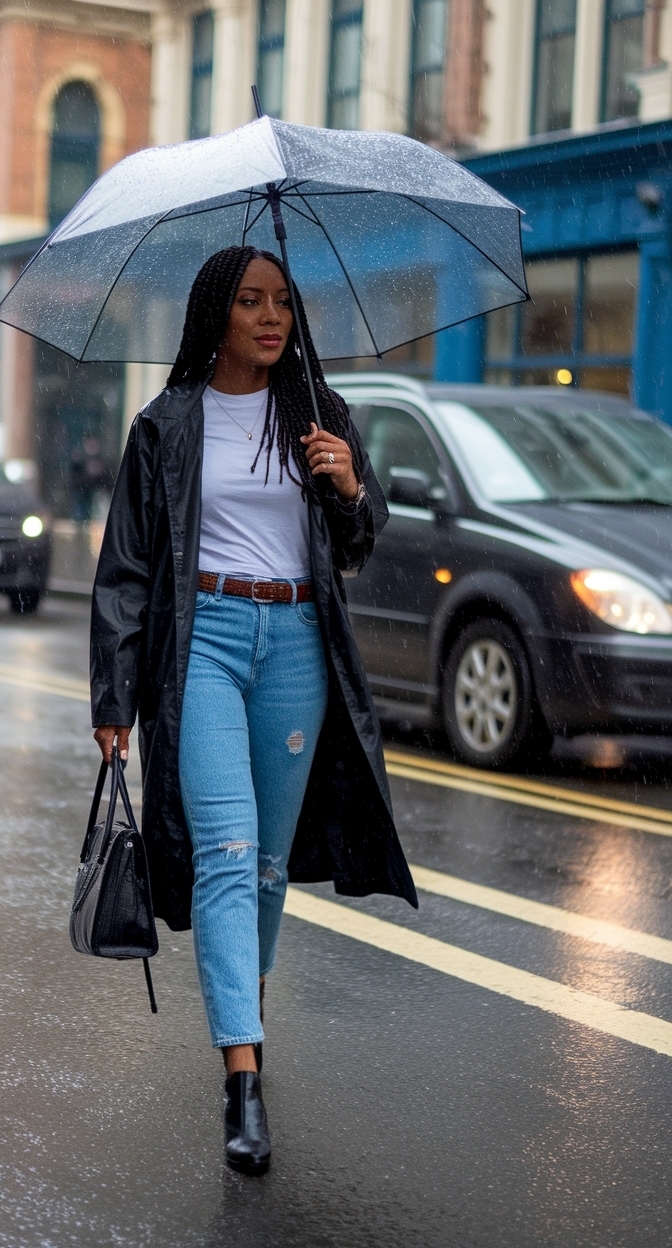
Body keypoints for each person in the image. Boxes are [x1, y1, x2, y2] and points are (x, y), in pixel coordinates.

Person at [90, 245, 416, 1176]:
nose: (271, 318)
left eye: (281, 303)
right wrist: (114, 695)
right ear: (215, 316)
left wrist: (350, 485)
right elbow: (126, 569)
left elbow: (355, 543)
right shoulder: (169, 425)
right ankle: (242, 1079)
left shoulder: (322, 417)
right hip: (205, 645)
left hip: (299, 648)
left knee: (268, 864)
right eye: (250, 302)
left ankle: (245, 1023)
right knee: (228, 854)